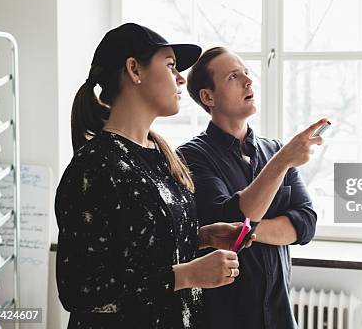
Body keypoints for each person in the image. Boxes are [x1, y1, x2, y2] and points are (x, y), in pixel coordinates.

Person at [55, 24, 253, 329]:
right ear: (134, 69)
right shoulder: (94, 166)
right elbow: (79, 290)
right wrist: (187, 275)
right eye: (171, 65)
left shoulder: (161, 154)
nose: (181, 78)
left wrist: (201, 237)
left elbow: (137, 248)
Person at [177, 46, 326, 329]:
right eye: (234, 76)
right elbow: (228, 223)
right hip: (224, 319)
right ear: (208, 96)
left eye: (246, 72)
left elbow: (306, 224)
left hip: (279, 316)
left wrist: (249, 227)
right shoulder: (191, 156)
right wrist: (281, 165)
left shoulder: (274, 150)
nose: (249, 81)